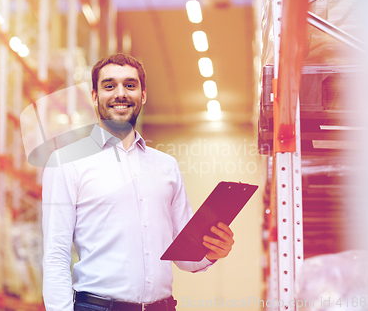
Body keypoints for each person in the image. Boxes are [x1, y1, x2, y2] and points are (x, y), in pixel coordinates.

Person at [42, 53, 235, 311]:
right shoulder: (66, 162)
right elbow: (55, 255)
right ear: (94, 96)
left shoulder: (166, 167)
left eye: (130, 85)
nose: (120, 93)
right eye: (109, 86)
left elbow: (186, 256)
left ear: (143, 95)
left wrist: (212, 251)